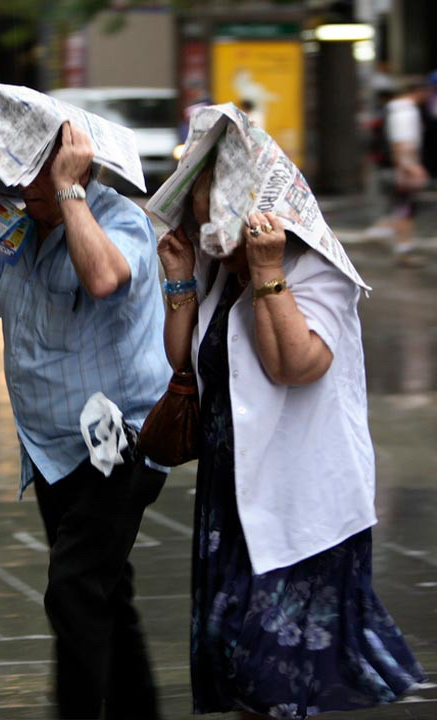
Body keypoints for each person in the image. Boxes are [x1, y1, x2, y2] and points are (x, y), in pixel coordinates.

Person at [158, 151, 425, 719]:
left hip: (302, 505)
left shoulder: (314, 269)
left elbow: (295, 366)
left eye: (219, 230)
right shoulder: (219, 274)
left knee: (271, 674)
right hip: (232, 498)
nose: (212, 243)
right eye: (203, 227)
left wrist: (266, 273)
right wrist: (181, 280)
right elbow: (183, 363)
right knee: (238, 666)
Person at [0, 121, 170, 719]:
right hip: (51, 449)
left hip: (118, 444)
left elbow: (103, 278)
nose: (22, 188)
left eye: (36, 175)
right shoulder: (21, 231)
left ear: (74, 166)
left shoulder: (117, 218)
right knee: (104, 595)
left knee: (74, 592)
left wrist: (70, 194)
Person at [378, 79, 431, 266]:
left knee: (401, 208)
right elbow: (401, 142)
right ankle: (403, 249)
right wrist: (408, 167)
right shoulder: (405, 111)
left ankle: (398, 243)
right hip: (402, 168)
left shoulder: (395, 109)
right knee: (405, 209)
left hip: (397, 167)